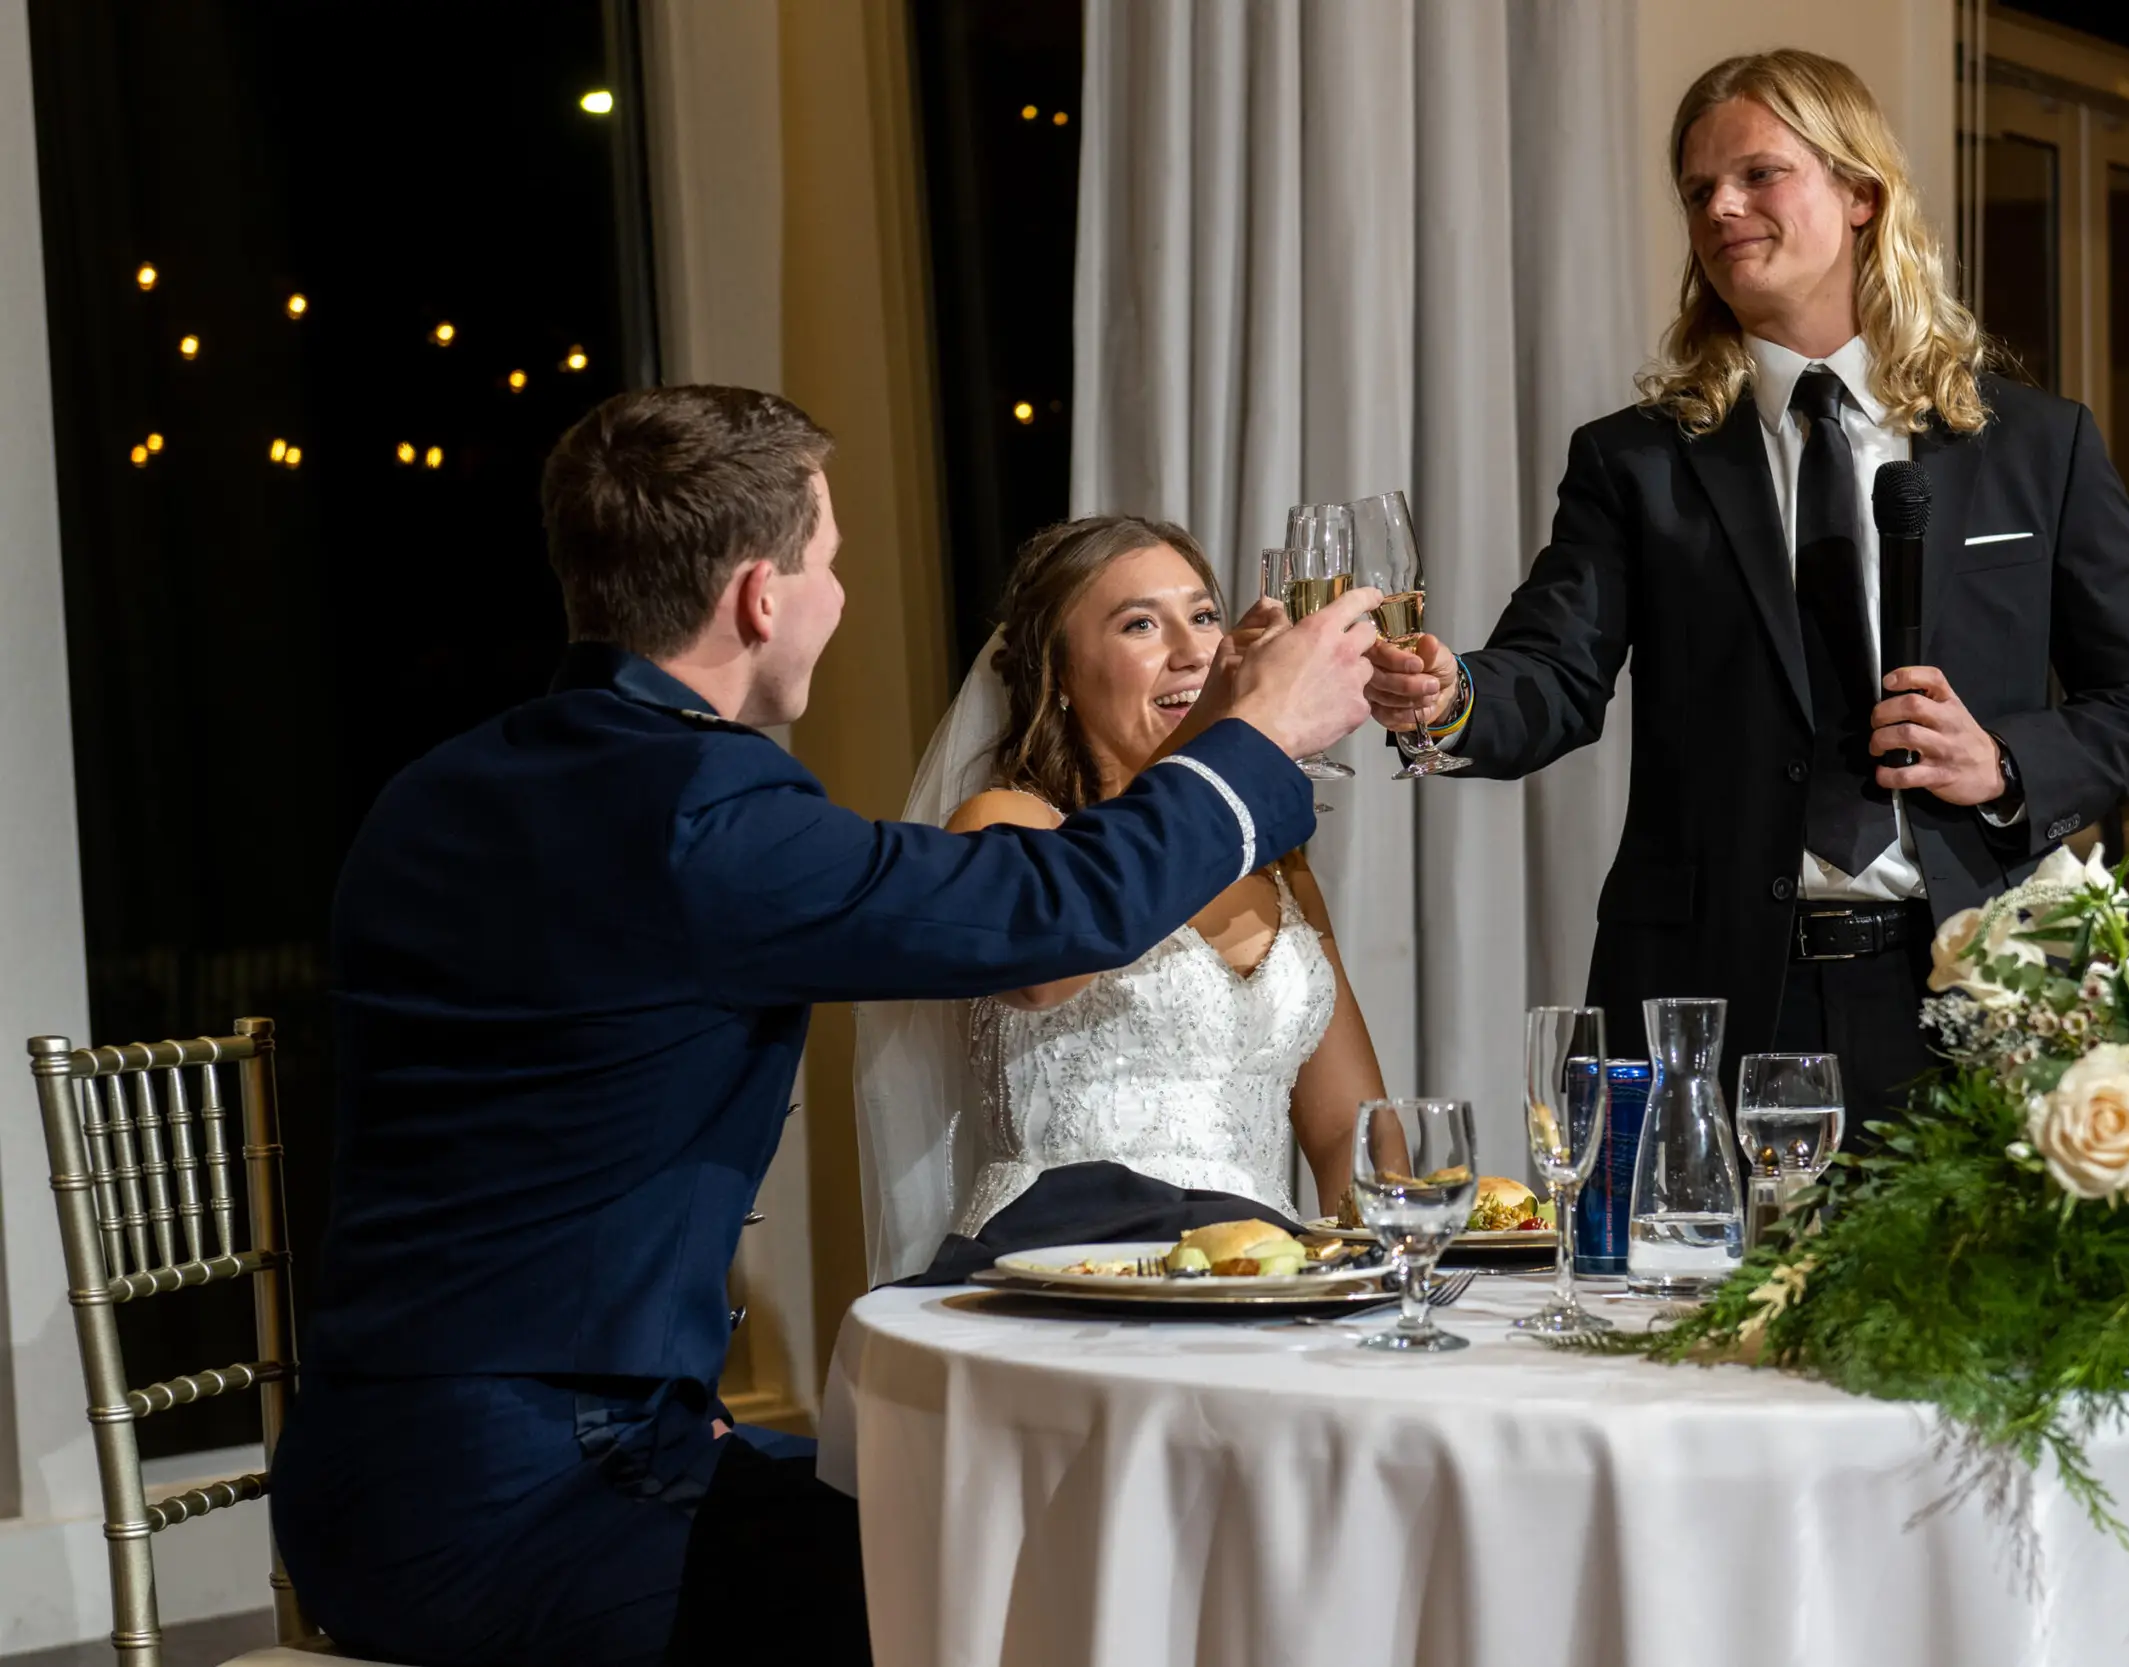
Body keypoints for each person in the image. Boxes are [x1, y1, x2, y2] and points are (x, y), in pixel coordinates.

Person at [267, 385, 1383, 1667]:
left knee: (961, 1507)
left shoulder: (436, 788)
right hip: (525, 1505)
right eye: (830, 560)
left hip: (384, 1466)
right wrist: (1259, 735)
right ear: (759, 595)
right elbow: (1052, 910)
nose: (839, 596)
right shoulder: (705, 815)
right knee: (1037, 1582)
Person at [1365, 49, 2129, 1140]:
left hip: (1977, 997)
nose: (1721, 207)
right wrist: (1450, 695)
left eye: (1759, 174)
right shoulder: (1638, 462)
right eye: (1699, 188)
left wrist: (2002, 763)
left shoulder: (2036, 446)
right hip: (1707, 1006)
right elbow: (1555, 675)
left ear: (1860, 194)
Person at [853, 517, 1388, 1282]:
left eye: (1204, 616)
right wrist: (1220, 754)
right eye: (1142, 623)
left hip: (1253, 1276)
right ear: (1059, 675)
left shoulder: (1276, 861)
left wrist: (1384, 1262)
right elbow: (1043, 968)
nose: (1193, 649)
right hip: (1059, 1263)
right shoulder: (1009, 824)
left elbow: (1349, 1124)